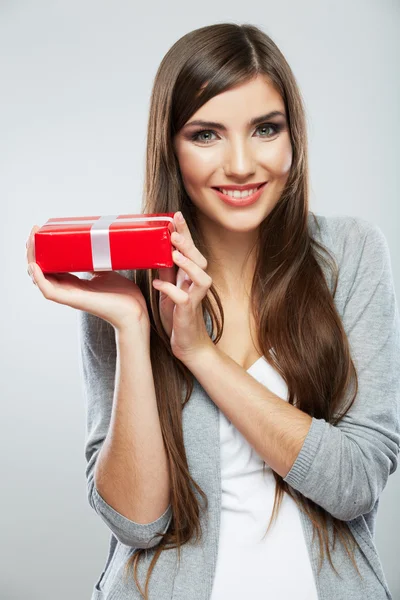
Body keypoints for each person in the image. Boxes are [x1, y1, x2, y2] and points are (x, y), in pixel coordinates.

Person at [26, 22, 399, 600]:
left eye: (265, 129)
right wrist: (130, 325)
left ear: (293, 134)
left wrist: (199, 352)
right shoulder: (125, 281)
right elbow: (136, 522)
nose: (242, 164)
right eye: (207, 135)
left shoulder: (351, 256)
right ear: (171, 146)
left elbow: (355, 483)